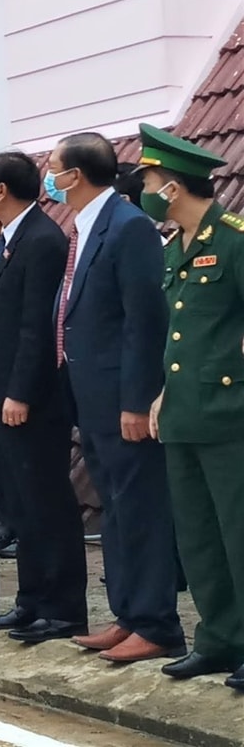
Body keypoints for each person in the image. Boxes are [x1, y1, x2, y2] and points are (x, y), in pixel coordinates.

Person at [48, 131, 184, 664]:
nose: (50, 181)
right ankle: (129, 613)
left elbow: (143, 322)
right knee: (115, 511)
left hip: (122, 398)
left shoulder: (127, 228)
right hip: (91, 395)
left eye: (54, 171)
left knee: (140, 507)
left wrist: (136, 399)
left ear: (75, 176)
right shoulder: (84, 227)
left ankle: (157, 622)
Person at [0, 153, 89, 646]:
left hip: (30, 402)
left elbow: (37, 328)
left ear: (2, 191)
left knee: (46, 504)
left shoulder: (40, 239)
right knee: (18, 507)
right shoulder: (4, 242)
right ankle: (32, 600)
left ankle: (63, 608)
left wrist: (19, 392)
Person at [137, 125, 244, 689]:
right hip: (183, 412)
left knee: (238, 532)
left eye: (151, 181)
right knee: (199, 537)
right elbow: (180, 337)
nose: (148, 190)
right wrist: (162, 394)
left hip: (231, 413)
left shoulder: (234, 239)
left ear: (173, 188)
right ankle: (220, 639)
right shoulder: (174, 246)